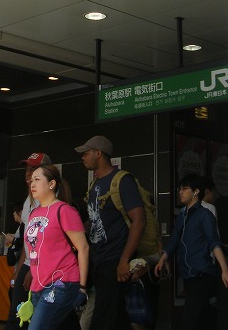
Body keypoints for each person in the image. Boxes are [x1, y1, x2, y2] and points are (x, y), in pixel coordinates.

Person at [76, 135, 145, 330]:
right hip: (98, 259)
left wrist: (124, 260)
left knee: (104, 317)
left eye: (86, 153)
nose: (82, 157)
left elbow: (139, 220)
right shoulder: (95, 183)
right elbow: (95, 219)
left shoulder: (122, 181)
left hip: (114, 259)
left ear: (98, 153)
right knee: (115, 315)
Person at [153, 174, 228, 330]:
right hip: (188, 275)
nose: (180, 192)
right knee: (202, 314)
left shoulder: (205, 214)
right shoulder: (182, 215)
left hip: (202, 273)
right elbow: (174, 241)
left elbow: (214, 243)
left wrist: (224, 270)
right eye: (179, 189)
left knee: (189, 319)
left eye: (185, 189)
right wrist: (163, 258)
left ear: (196, 192)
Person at [24, 164, 89, 329]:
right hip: (38, 285)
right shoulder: (33, 213)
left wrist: (82, 287)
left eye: (37, 179)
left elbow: (83, 248)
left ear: (51, 184)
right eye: (31, 180)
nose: (32, 184)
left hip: (61, 282)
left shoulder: (64, 210)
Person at [5, 152, 51, 330]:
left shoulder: (50, 199)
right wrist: (19, 269)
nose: (28, 173)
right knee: (17, 314)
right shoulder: (28, 200)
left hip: (44, 265)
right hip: (28, 262)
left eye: (33, 169)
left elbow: (45, 238)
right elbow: (28, 237)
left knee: (38, 316)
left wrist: (33, 268)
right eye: (27, 169)